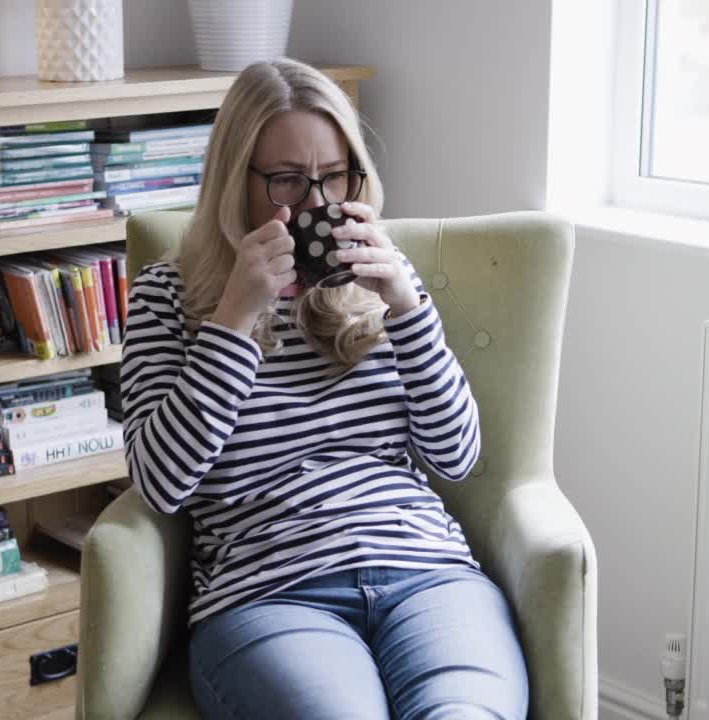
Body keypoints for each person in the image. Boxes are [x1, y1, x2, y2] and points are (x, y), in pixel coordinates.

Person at [119, 58, 528, 720]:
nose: (314, 205)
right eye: (286, 180)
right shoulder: (168, 297)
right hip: (267, 593)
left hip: (425, 570)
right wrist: (234, 318)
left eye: (333, 177)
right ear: (234, 181)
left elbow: (456, 455)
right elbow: (162, 483)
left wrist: (404, 305)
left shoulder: (384, 282)